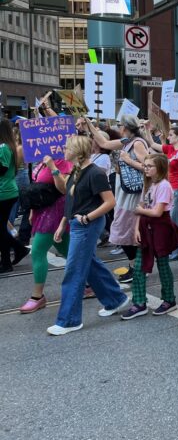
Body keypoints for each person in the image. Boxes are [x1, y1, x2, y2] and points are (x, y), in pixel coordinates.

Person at [47, 135, 128, 335]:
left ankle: (69, 320)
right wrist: (63, 222)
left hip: (87, 225)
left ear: (78, 151)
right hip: (77, 224)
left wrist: (87, 218)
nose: (64, 150)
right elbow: (71, 200)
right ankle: (115, 299)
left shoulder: (95, 173)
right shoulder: (76, 171)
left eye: (67, 147)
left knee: (74, 270)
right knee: (89, 264)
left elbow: (110, 202)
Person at [86, 114, 149, 283]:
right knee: (125, 231)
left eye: (120, 125)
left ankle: (137, 267)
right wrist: (89, 125)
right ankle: (136, 266)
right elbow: (104, 143)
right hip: (124, 191)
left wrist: (128, 161)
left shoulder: (137, 143)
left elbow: (149, 167)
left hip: (133, 193)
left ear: (125, 127)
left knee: (125, 230)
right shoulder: (126, 142)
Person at [121, 154, 178, 320]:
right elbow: (142, 206)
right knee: (139, 266)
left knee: (163, 265)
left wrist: (140, 211)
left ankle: (169, 299)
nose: (146, 168)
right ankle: (139, 302)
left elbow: (157, 212)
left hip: (160, 228)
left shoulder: (164, 185)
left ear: (160, 168)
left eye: (150, 166)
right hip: (146, 228)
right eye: (145, 165)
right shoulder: (148, 184)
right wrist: (136, 229)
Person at [18, 154, 72, 313]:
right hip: (42, 209)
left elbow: (63, 189)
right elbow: (38, 185)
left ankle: (37, 297)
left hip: (55, 211)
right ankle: (91, 283)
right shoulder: (42, 158)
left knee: (37, 251)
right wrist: (32, 210)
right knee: (67, 250)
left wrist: (53, 168)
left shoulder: (62, 160)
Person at [144, 125, 178, 260]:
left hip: (177, 189)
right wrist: (147, 129)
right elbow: (153, 144)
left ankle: (175, 251)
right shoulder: (171, 149)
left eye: (171, 135)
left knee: (174, 221)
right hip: (169, 189)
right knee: (169, 220)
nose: (168, 137)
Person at [0, 118, 27, 273]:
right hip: (6, 191)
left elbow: (2, 168)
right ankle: (14, 253)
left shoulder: (4, 147)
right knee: (1, 229)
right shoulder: (7, 146)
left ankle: (8, 260)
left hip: (4, 192)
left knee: (1, 229)